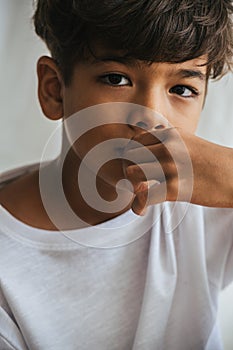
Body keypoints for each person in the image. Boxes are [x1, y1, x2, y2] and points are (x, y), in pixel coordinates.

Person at [0, 0, 233, 349]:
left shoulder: (212, 200)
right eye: (116, 79)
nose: (152, 116)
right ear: (53, 89)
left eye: (182, 89)